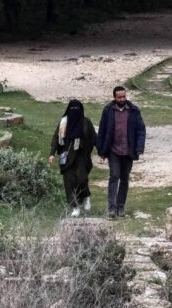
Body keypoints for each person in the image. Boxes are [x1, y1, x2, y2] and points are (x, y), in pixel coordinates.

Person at [96, 86, 146, 219]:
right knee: (114, 176)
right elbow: (102, 130)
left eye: (124, 96)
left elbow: (141, 130)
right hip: (113, 151)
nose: (122, 99)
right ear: (114, 97)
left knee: (124, 179)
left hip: (128, 151)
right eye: (119, 97)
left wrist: (139, 147)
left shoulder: (134, 110)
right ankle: (112, 208)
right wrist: (101, 150)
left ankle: (120, 206)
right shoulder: (108, 111)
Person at [49, 99, 97, 218]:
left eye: (77, 109)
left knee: (81, 180)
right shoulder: (63, 123)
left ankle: (85, 196)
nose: (74, 112)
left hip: (82, 157)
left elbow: (94, 138)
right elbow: (56, 138)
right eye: (72, 109)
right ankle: (75, 207)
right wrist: (52, 154)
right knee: (69, 183)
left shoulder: (86, 123)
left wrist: (102, 152)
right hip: (66, 158)